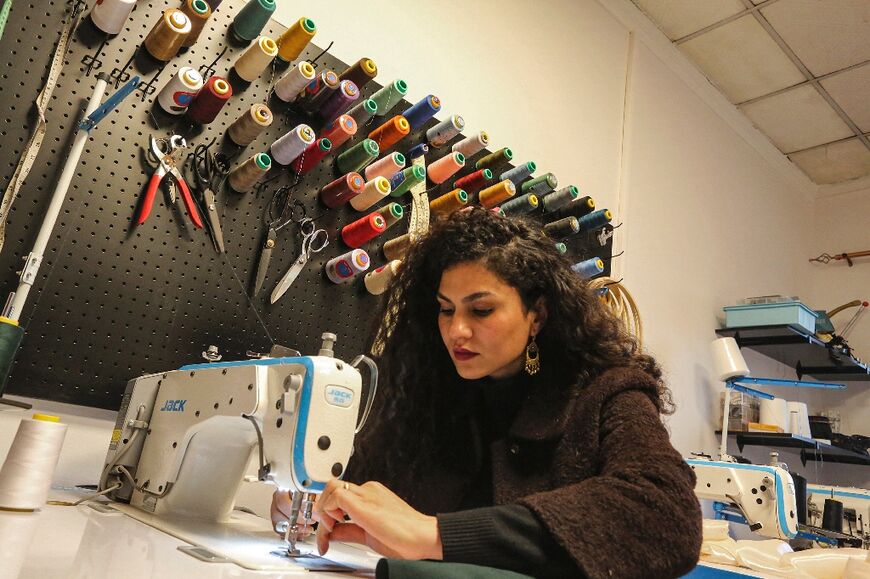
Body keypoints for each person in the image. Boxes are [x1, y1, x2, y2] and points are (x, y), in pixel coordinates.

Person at [272, 207, 702, 578]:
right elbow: (363, 483)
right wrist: (312, 499)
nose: (456, 330)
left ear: (537, 315)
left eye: (481, 310)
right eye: (446, 310)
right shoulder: (429, 399)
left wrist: (434, 535)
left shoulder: (607, 394)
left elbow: (667, 515)